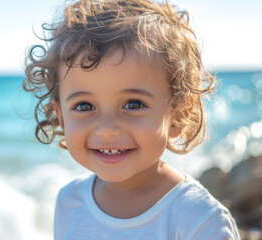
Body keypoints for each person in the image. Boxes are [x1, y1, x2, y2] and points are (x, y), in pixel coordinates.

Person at [23, 0, 240, 239]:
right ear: (61, 117)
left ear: (178, 114)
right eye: (84, 106)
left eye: (133, 104)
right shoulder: (68, 202)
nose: (107, 129)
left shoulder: (199, 221)